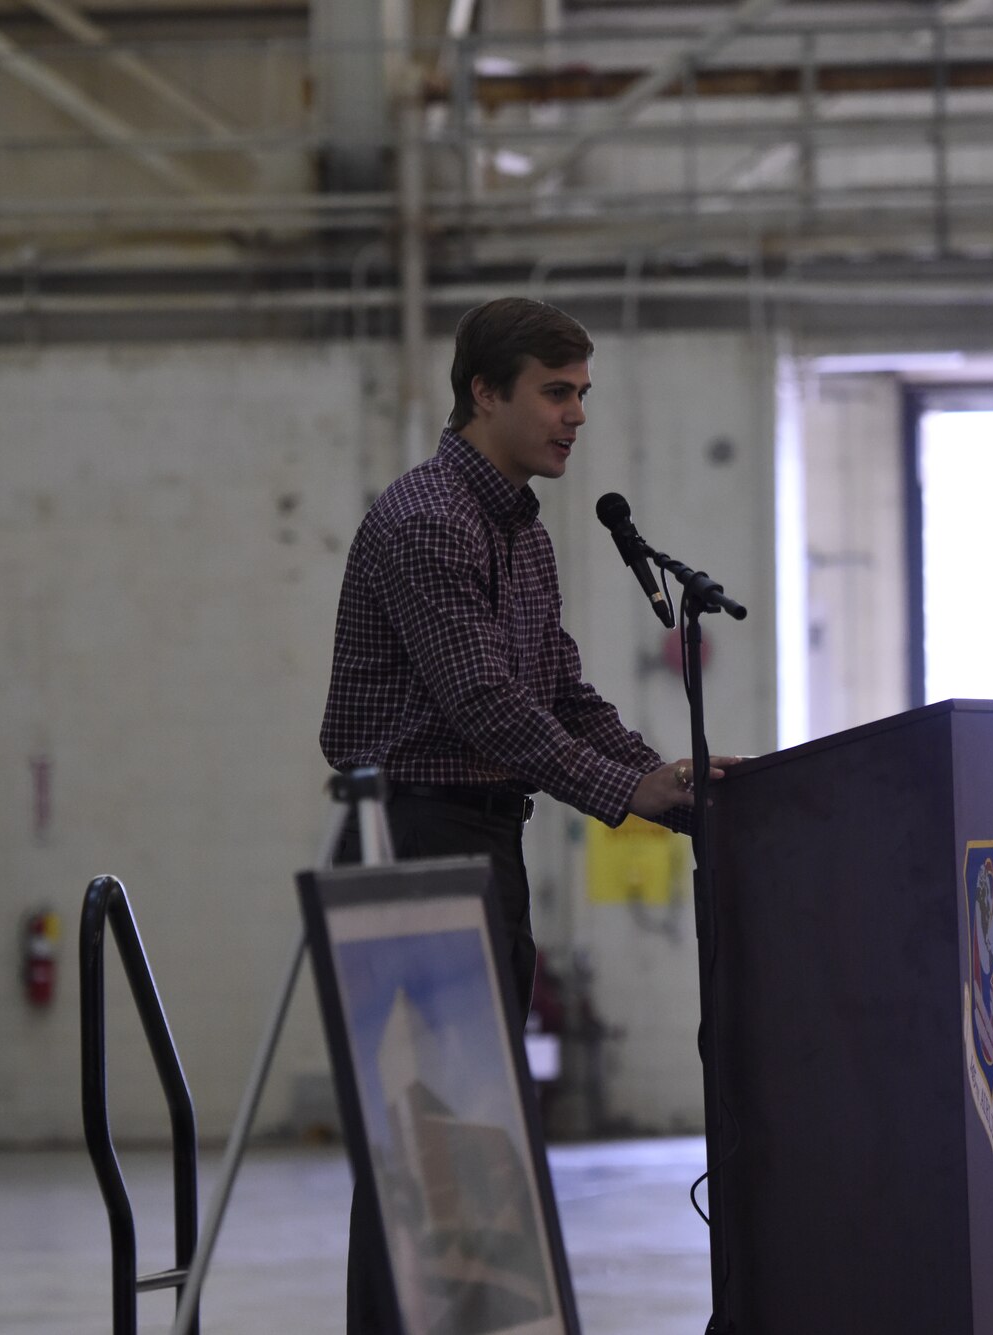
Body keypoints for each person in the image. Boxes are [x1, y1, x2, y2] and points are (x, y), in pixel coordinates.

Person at [320, 296, 736, 1332]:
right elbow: (482, 703)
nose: (574, 415)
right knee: (419, 1134)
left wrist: (662, 777)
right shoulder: (424, 522)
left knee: (468, 1129)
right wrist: (617, 797)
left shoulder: (520, 533)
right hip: (408, 838)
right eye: (555, 393)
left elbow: (558, 694)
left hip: (476, 842)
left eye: (581, 394)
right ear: (483, 392)